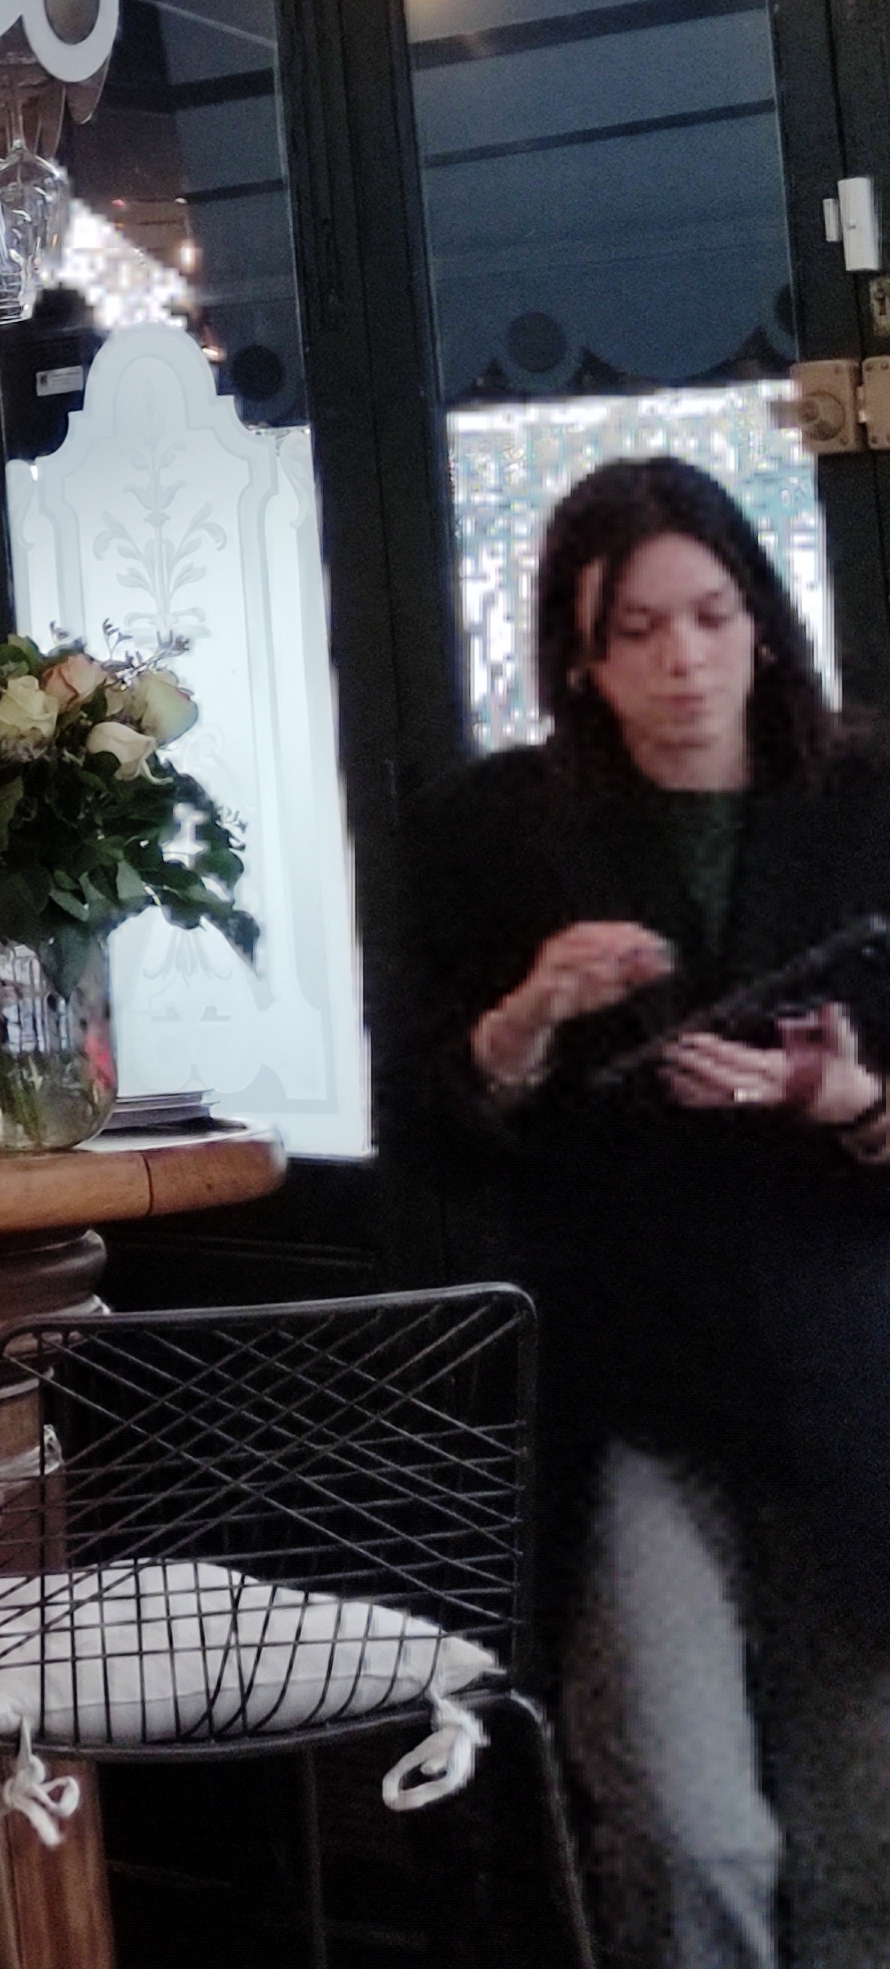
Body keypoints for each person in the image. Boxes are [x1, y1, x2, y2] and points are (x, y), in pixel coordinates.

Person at [387, 456, 890, 1968]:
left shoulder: (865, 804)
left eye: (713, 616)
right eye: (638, 630)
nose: (684, 660)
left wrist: (850, 1101)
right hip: (629, 1388)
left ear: (765, 622)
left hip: (847, 1386)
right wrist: (525, 1018)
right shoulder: (499, 831)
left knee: (862, 1846)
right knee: (692, 1831)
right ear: (578, 656)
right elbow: (427, 1129)